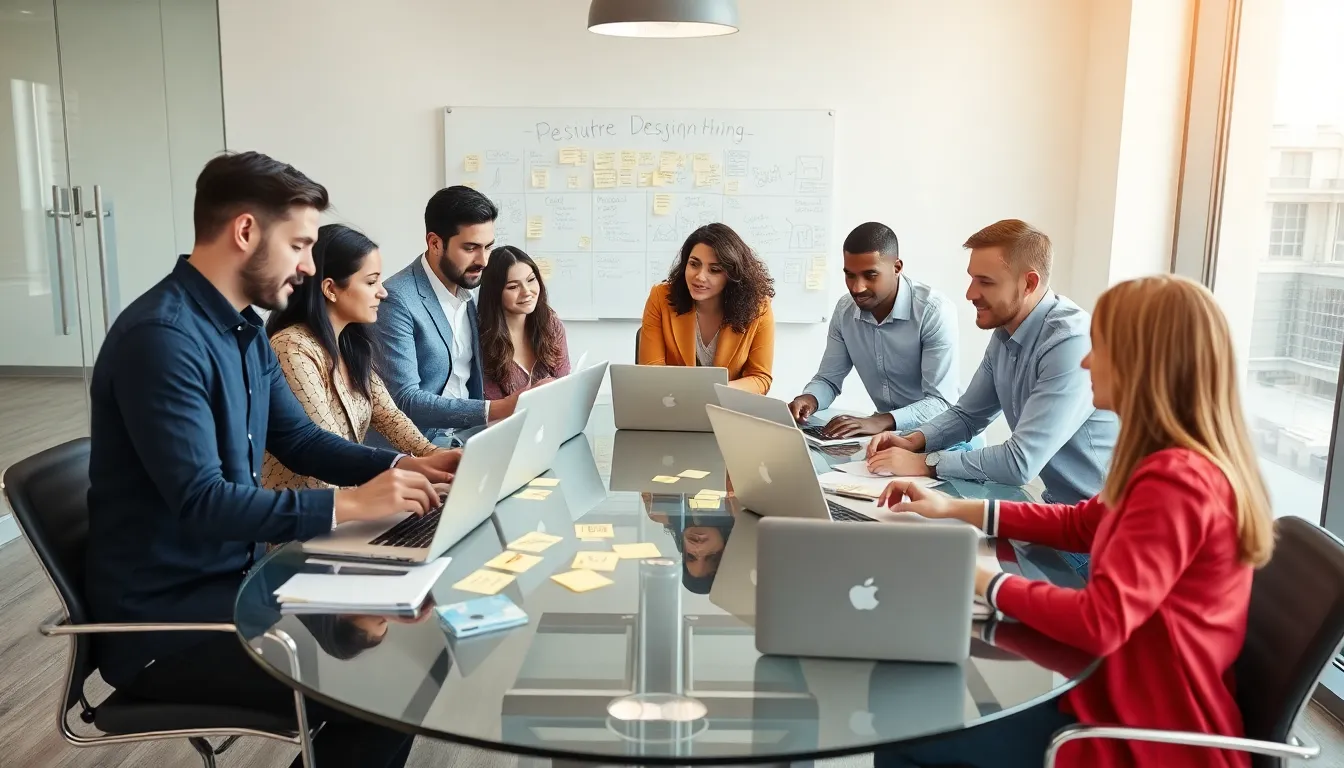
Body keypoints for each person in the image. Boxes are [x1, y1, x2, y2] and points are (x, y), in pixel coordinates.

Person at [84, 151, 462, 768]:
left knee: (419, 644)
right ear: (245, 232)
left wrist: (401, 469)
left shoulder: (241, 328)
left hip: (241, 588)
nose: (310, 267)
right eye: (301, 245)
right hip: (169, 628)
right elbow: (202, 502)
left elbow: (301, 440)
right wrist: (347, 504)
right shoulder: (162, 339)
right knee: (390, 680)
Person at [875, 274, 1275, 768]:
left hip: (1143, 734)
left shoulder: (1178, 481)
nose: (1086, 360)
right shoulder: (1168, 461)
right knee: (930, 696)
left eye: (1100, 347)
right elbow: (1079, 526)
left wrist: (978, 576)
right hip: (1117, 689)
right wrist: (956, 508)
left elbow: (1101, 622)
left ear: (1143, 363)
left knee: (903, 731)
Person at [866, 219, 1117, 574]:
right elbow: (969, 414)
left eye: (985, 282)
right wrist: (914, 441)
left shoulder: (1070, 343)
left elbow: (1019, 463)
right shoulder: (1006, 331)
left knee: (954, 580)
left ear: (1029, 283)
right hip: (1055, 516)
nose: (969, 293)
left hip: (1094, 543)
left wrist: (925, 463)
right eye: (972, 278)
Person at [262, 223, 442, 491]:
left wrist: (435, 456)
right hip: (307, 520)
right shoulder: (291, 347)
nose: (383, 292)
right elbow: (323, 450)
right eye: (371, 282)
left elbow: (389, 416)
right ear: (331, 289)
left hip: (348, 508)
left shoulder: (349, 344)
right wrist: (401, 485)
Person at [787, 222, 960, 438]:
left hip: (943, 437)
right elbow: (828, 380)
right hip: (885, 434)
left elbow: (941, 402)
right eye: (849, 275)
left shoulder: (933, 311)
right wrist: (809, 399)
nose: (857, 287)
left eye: (870, 275)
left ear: (896, 268)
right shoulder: (844, 311)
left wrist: (880, 421)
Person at [375, 186, 513, 446]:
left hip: (467, 439)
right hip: (418, 449)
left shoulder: (470, 290)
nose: (483, 260)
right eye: (470, 248)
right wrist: (497, 409)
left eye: (488, 247)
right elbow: (404, 399)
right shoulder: (396, 300)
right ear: (435, 243)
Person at [637, 223, 776, 394]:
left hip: (728, 408)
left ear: (733, 275)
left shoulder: (757, 307)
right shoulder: (661, 297)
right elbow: (651, 371)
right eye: (694, 264)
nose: (700, 277)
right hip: (673, 405)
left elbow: (760, 378)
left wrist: (713, 391)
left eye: (714, 269)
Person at [476, 245, 571, 400]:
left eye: (531, 280)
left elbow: (564, 389)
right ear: (495, 293)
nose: (527, 292)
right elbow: (493, 408)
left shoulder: (551, 326)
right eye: (513, 286)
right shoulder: (481, 339)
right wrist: (536, 392)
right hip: (505, 423)